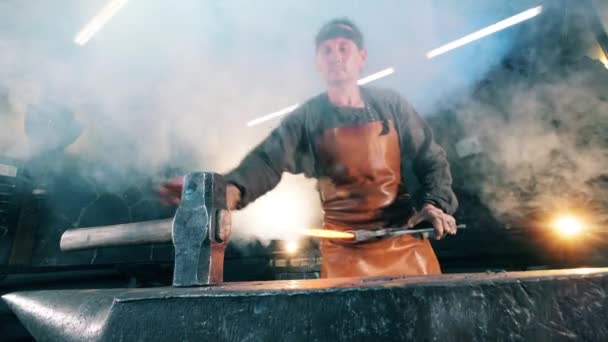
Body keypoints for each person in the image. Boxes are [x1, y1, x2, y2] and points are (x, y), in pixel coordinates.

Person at [161, 18, 458, 278]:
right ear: (318, 62)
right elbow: (266, 162)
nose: (335, 56)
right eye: (326, 50)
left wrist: (435, 204)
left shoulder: (391, 105)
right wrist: (219, 195)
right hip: (344, 254)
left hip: (405, 244)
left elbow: (432, 160)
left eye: (344, 48)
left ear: (361, 57)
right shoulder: (307, 119)